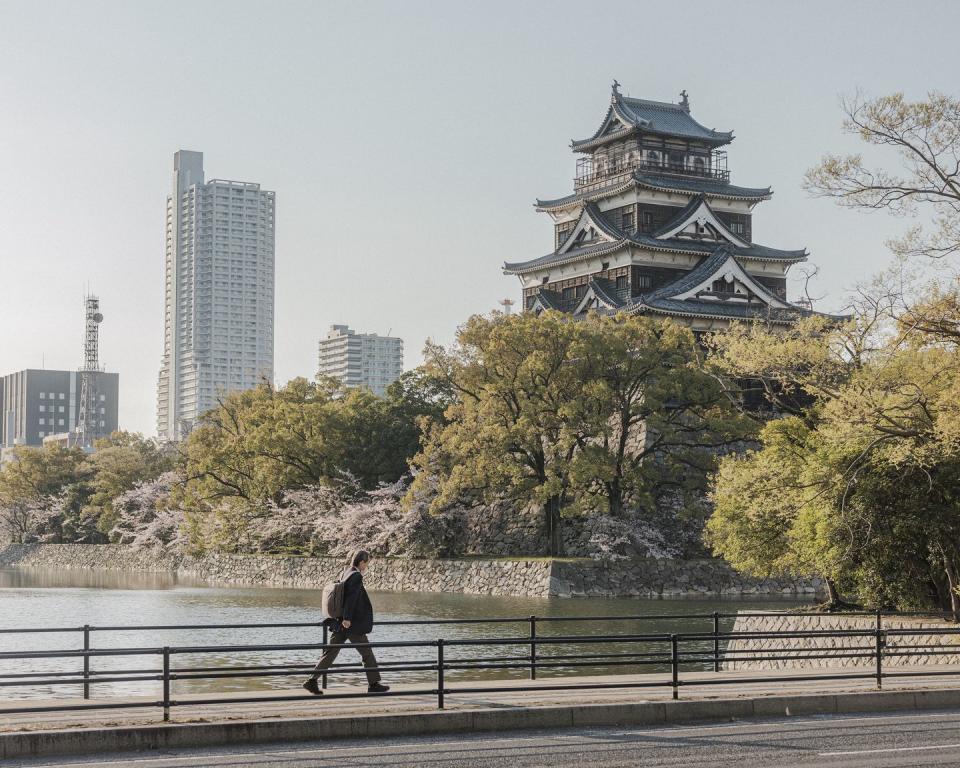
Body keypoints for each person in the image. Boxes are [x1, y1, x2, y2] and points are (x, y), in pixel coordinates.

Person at [302, 549, 390, 695]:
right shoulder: (356, 576)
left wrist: (343, 619)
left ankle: (311, 680)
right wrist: (348, 619)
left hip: (340, 622)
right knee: (366, 652)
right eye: (366, 564)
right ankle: (374, 684)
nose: (366, 567)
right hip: (351, 624)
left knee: (330, 652)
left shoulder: (345, 572)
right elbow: (351, 599)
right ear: (361, 562)